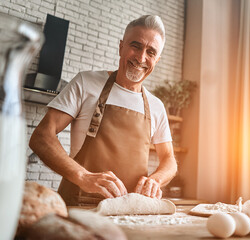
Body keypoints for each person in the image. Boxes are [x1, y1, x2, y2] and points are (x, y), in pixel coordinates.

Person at [29, 15, 177, 206]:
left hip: (131, 211)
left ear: (157, 60)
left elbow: (169, 159)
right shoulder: (86, 82)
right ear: (121, 47)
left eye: (150, 52)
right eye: (136, 46)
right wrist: (83, 176)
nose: (141, 58)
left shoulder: (156, 106)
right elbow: (42, 136)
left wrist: (156, 180)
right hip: (80, 208)